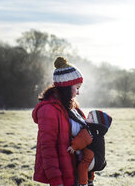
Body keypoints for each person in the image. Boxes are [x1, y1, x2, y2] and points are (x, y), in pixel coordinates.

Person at [32, 56, 87, 186]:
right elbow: (48, 150)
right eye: (77, 88)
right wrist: (56, 181)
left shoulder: (72, 106)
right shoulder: (48, 110)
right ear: (67, 87)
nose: (78, 93)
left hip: (77, 173)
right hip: (63, 176)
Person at [67, 110, 112, 186]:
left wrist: (73, 146)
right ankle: (90, 180)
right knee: (90, 167)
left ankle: (83, 183)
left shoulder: (90, 130)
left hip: (93, 160)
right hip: (100, 161)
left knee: (82, 167)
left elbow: (83, 139)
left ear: (96, 122)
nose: (85, 119)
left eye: (89, 117)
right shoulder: (100, 134)